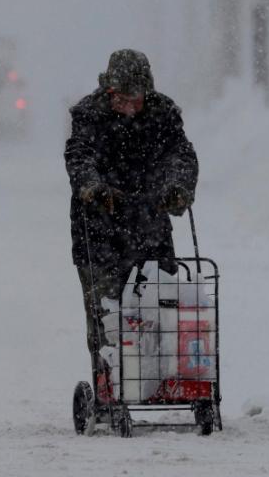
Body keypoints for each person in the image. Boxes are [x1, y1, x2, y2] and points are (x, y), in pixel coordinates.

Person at [64, 49, 199, 391]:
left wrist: (178, 187)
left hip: (150, 223)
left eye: (133, 98)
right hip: (99, 230)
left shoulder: (163, 114)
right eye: (118, 98)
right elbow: (79, 156)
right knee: (107, 313)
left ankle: (161, 380)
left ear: (146, 93)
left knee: (160, 303)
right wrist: (93, 188)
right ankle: (110, 384)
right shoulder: (88, 114)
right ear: (108, 91)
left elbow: (180, 154)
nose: (126, 105)